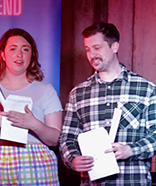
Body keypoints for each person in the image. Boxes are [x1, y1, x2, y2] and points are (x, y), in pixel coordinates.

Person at [59, 21, 156, 185]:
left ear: (114, 47)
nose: (91, 54)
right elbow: (67, 138)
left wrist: (130, 150)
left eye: (97, 48)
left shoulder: (145, 89)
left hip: (132, 181)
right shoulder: (78, 94)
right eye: (88, 49)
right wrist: (73, 159)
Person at [0, 28, 63, 185]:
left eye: (25, 49)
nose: (19, 55)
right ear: (3, 54)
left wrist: (33, 124)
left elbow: (55, 139)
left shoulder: (46, 89)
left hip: (35, 162)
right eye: (13, 49)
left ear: (32, 56)